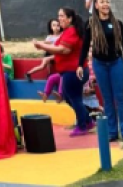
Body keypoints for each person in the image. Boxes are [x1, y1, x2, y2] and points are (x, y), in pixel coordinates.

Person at [78, 0, 123, 143]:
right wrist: (80, 65)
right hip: (100, 64)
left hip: (116, 63)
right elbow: (85, 46)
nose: (105, 4)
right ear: (96, 5)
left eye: (107, 1)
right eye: (102, 2)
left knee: (120, 98)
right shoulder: (90, 24)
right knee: (107, 99)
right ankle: (112, 132)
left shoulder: (118, 24)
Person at [34, 8, 93, 137]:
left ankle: (82, 125)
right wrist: (48, 57)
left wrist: (42, 46)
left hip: (73, 72)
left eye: (62, 16)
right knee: (68, 97)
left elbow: (63, 50)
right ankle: (87, 121)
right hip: (70, 71)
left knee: (75, 98)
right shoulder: (68, 32)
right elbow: (62, 52)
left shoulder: (71, 31)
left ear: (70, 18)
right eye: (58, 16)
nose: (59, 18)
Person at [28, 19, 64, 102]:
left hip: (61, 62)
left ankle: (60, 96)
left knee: (62, 77)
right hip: (53, 56)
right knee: (51, 77)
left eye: (58, 25)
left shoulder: (62, 36)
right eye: (54, 25)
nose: (56, 27)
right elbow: (46, 43)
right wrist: (38, 43)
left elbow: (51, 44)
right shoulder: (50, 37)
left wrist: (40, 43)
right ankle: (45, 95)